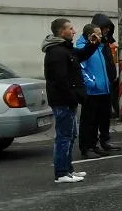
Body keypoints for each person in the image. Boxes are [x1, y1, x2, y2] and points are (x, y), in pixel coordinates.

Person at [42, 18, 99, 183]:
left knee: (71, 135)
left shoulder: (65, 49)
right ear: (61, 32)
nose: (74, 31)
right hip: (63, 102)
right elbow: (60, 80)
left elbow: (80, 55)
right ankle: (61, 173)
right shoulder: (56, 52)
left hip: (68, 101)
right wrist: (73, 96)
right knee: (64, 137)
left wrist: (92, 44)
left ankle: (68, 170)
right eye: (71, 28)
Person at [76, 14, 120, 157]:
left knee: (98, 120)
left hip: (104, 89)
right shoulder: (82, 47)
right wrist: (92, 83)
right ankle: (86, 147)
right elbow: (82, 68)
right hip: (92, 91)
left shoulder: (100, 47)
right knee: (89, 121)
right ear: (91, 35)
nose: (103, 36)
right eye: (99, 34)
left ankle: (94, 145)